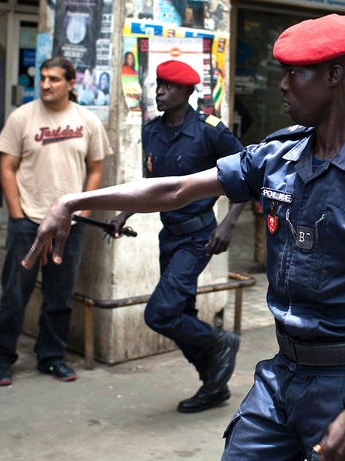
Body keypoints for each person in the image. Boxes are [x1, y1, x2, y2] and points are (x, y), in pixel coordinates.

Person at [22, 14, 345, 461]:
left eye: (294, 73)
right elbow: (177, 189)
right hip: (281, 373)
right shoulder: (278, 156)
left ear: (334, 75)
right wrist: (73, 201)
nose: (282, 85)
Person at [106, 60, 245, 414]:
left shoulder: (210, 131)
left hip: (200, 236)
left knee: (160, 313)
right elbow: (150, 186)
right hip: (169, 236)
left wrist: (227, 223)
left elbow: (247, 175)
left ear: (188, 92)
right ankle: (213, 384)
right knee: (181, 314)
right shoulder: (151, 131)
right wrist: (123, 214)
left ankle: (220, 341)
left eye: (168, 87)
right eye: (158, 85)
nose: (160, 92)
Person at [0, 57, 110, 386]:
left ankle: (52, 357)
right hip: (27, 221)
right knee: (14, 294)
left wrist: (82, 214)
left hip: (68, 226)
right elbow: (6, 167)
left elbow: (95, 169)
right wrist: (17, 214)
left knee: (60, 295)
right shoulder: (22, 117)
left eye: (54, 79)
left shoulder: (87, 120)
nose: (45, 84)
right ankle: (0, 360)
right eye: (42, 78)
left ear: (70, 83)